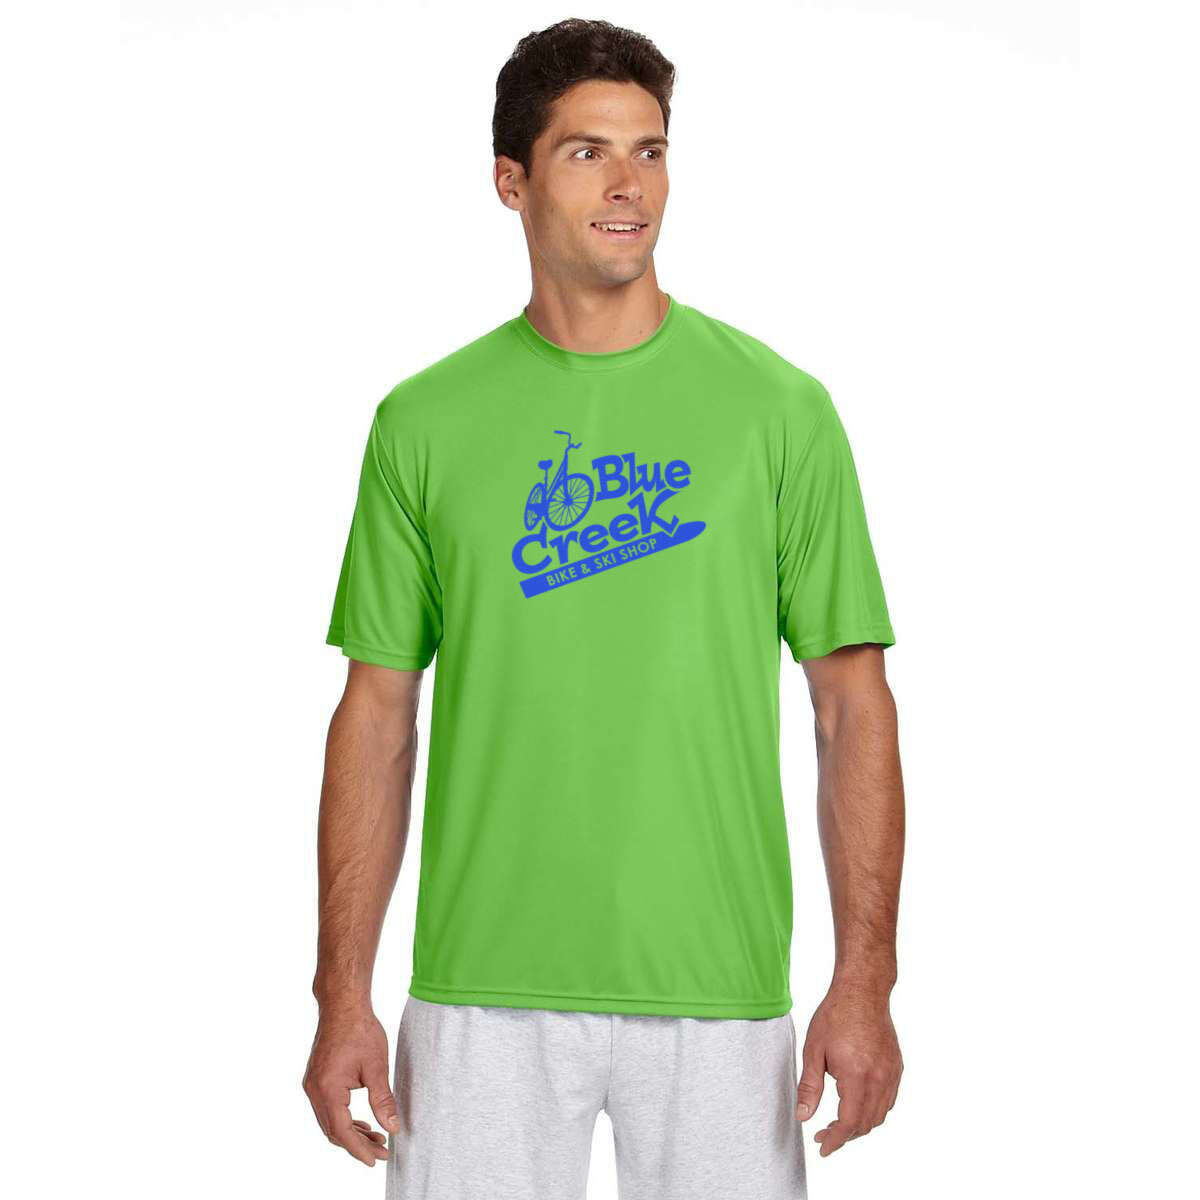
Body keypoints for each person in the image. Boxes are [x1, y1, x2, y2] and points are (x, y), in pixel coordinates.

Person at [303, 17, 904, 1200]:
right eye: (587, 153)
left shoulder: (778, 412)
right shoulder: (424, 424)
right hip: (480, 994)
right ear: (510, 181)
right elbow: (375, 717)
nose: (631, 185)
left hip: (719, 991)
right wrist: (340, 996)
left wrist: (865, 980)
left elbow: (853, 707)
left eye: (651, 151)